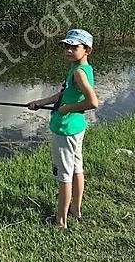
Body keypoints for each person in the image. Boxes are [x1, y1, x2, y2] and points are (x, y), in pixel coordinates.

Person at [27, 29, 99, 228]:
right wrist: (40, 102)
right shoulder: (82, 68)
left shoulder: (78, 73)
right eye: (66, 46)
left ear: (87, 50)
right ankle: (75, 209)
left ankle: (60, 221)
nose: (68, 50)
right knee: (77, 169)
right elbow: (63, 95)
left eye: (74, 47)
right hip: (76, 128)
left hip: (66, 130)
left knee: (64, 176)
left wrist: (68, 108)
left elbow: (92, 102)